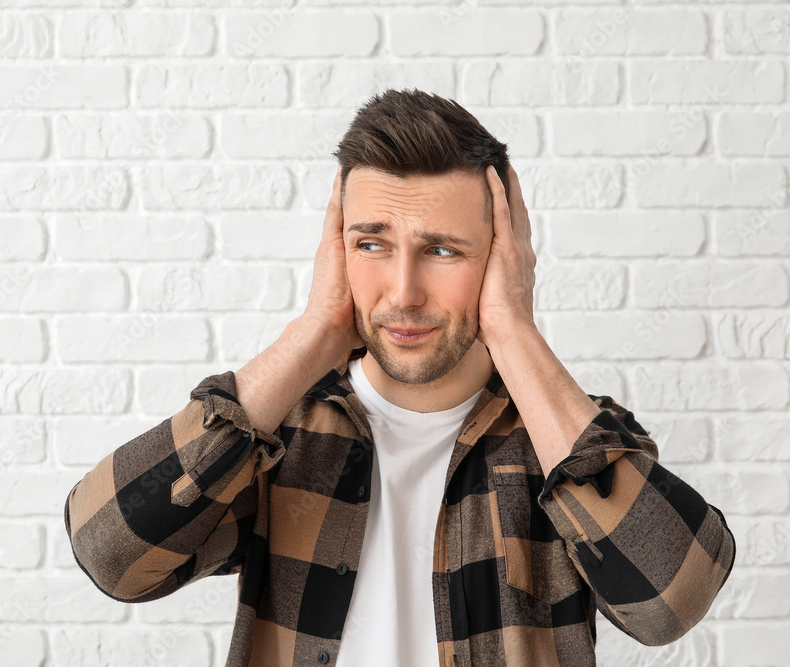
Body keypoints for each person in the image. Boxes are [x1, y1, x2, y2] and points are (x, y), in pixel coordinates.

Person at [64, 88, 736, 667]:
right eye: (372, 244)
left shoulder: (565, 440)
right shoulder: (278, 433)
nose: (404, 291)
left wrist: (515, 328)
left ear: (501, 258)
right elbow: (111, 554)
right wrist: (314, 332)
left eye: (442, 249)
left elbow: (671, 602)